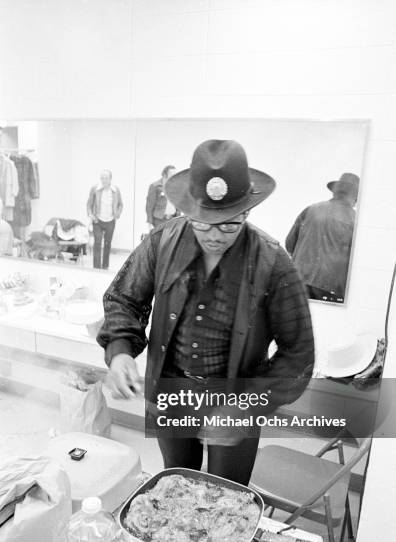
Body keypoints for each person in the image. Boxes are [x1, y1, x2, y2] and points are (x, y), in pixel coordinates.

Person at [97, 140, 314, 485]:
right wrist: (120, 352)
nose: (214, 235)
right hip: (172, 391)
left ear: (247, 212)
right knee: (176, 483)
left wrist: (246, 405)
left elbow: (298, 354)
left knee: (225, 495)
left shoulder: (273, 262)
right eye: (202, 223)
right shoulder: (161, 241)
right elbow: (124, 298)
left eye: (229, 224)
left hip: (236, 396)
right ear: (187, 210)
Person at [285, 173, 359, 303]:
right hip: (332, 291)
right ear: (356, 197)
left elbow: (290, 244)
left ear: (335, 191)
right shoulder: (357, 222)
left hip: (298, 283)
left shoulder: (311, 209)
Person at [86, 169, 123, 269]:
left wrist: (117, 215)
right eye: (102, 178)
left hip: (110, 221)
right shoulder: (95, 189)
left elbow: (120, 204)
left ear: (110, 179)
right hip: (97, 221)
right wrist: (91, 215)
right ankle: (96, 268)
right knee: (97, 243)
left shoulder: (115, 190)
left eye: (106, 178)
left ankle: (105, 266)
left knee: (107, 244)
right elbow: (89, 205)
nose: (104, 180)